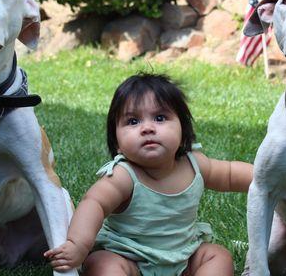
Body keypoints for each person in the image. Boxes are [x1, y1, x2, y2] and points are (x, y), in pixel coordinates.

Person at [44, 73, 253, 275]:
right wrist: (78, 244)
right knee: (103, 264)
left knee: (217, 256)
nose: (147, 128)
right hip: (128, 258)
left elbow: (230, 174)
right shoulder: (123, 176)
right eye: (133, 122)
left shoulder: (194, 164)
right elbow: (94, 204)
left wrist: (267, 177)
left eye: (160, 118)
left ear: (183, 132)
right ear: (117, 143)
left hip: (184, 257)